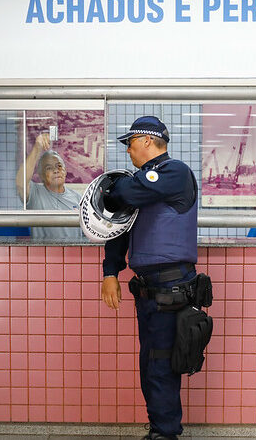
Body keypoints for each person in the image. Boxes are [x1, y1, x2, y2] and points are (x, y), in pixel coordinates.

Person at [100, 116, 198, 440]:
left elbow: (117, 194)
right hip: (149, 293)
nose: (128, 150)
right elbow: (118, 227)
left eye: (130, 143)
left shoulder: (174, 172)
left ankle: (165, 434)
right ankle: (160, 429)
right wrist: (110, 272)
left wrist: (119, 189)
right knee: (150, 366)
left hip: (170, 287)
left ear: (146, 140)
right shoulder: (141, 186)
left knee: (160, 365)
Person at [15, 132, 83, 239]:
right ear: (42, 175)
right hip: (44, 253)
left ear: (65, 171)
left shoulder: (78, 198)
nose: (56, 170)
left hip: (74, 253)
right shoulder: (35, 194)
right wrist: (37, 147)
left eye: (59, 166)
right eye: (49, 168)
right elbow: (20, 181)